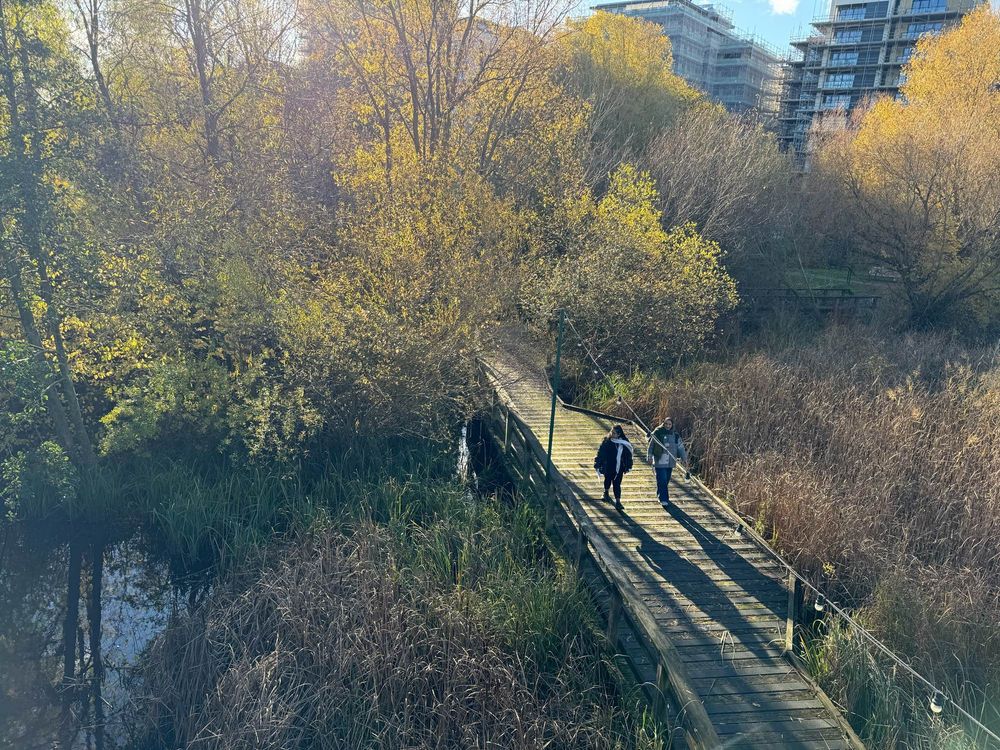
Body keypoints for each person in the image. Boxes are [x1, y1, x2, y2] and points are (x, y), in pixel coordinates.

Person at [646, 417, 689, 508]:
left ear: (672, 425)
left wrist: (684, 458)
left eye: (669, 424)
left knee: (666, 480)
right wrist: (649, 456)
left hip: (670, 461)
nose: (668, 426)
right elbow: (651, 446)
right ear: (663, 424)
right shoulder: (657, 433)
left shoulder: (675, 435)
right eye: (666, 424)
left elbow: (680, 447)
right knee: (662, 479)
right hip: (659, 460)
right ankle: (664, 499)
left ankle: (660, 494)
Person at [594, 425, 633, 510]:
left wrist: (628, 466)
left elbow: (628, 456)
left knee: (617, 484)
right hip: (608, 465)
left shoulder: (624, 442)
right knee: (607, 479)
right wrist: (597, 463)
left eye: (614, 433)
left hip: (619, 467)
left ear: (619, 434)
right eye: (611, 432)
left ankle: (618, 502)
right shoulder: (607, 441)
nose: (612, 434)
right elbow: (600, 453)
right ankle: (606, 491)